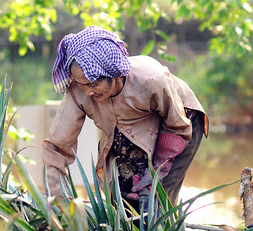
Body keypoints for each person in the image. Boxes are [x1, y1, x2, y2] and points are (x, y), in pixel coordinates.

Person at [42, 26, 208, 211]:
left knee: (156, 202)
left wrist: (155, 174)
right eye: (81, 85)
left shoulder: (151, 80)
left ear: (114, 74)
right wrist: (56, 199)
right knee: (122, 202)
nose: (88, 91)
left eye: (93, 84)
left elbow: (177, 126)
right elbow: (58, 145)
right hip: (124, 129)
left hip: (180, 123)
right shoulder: (78, 91)